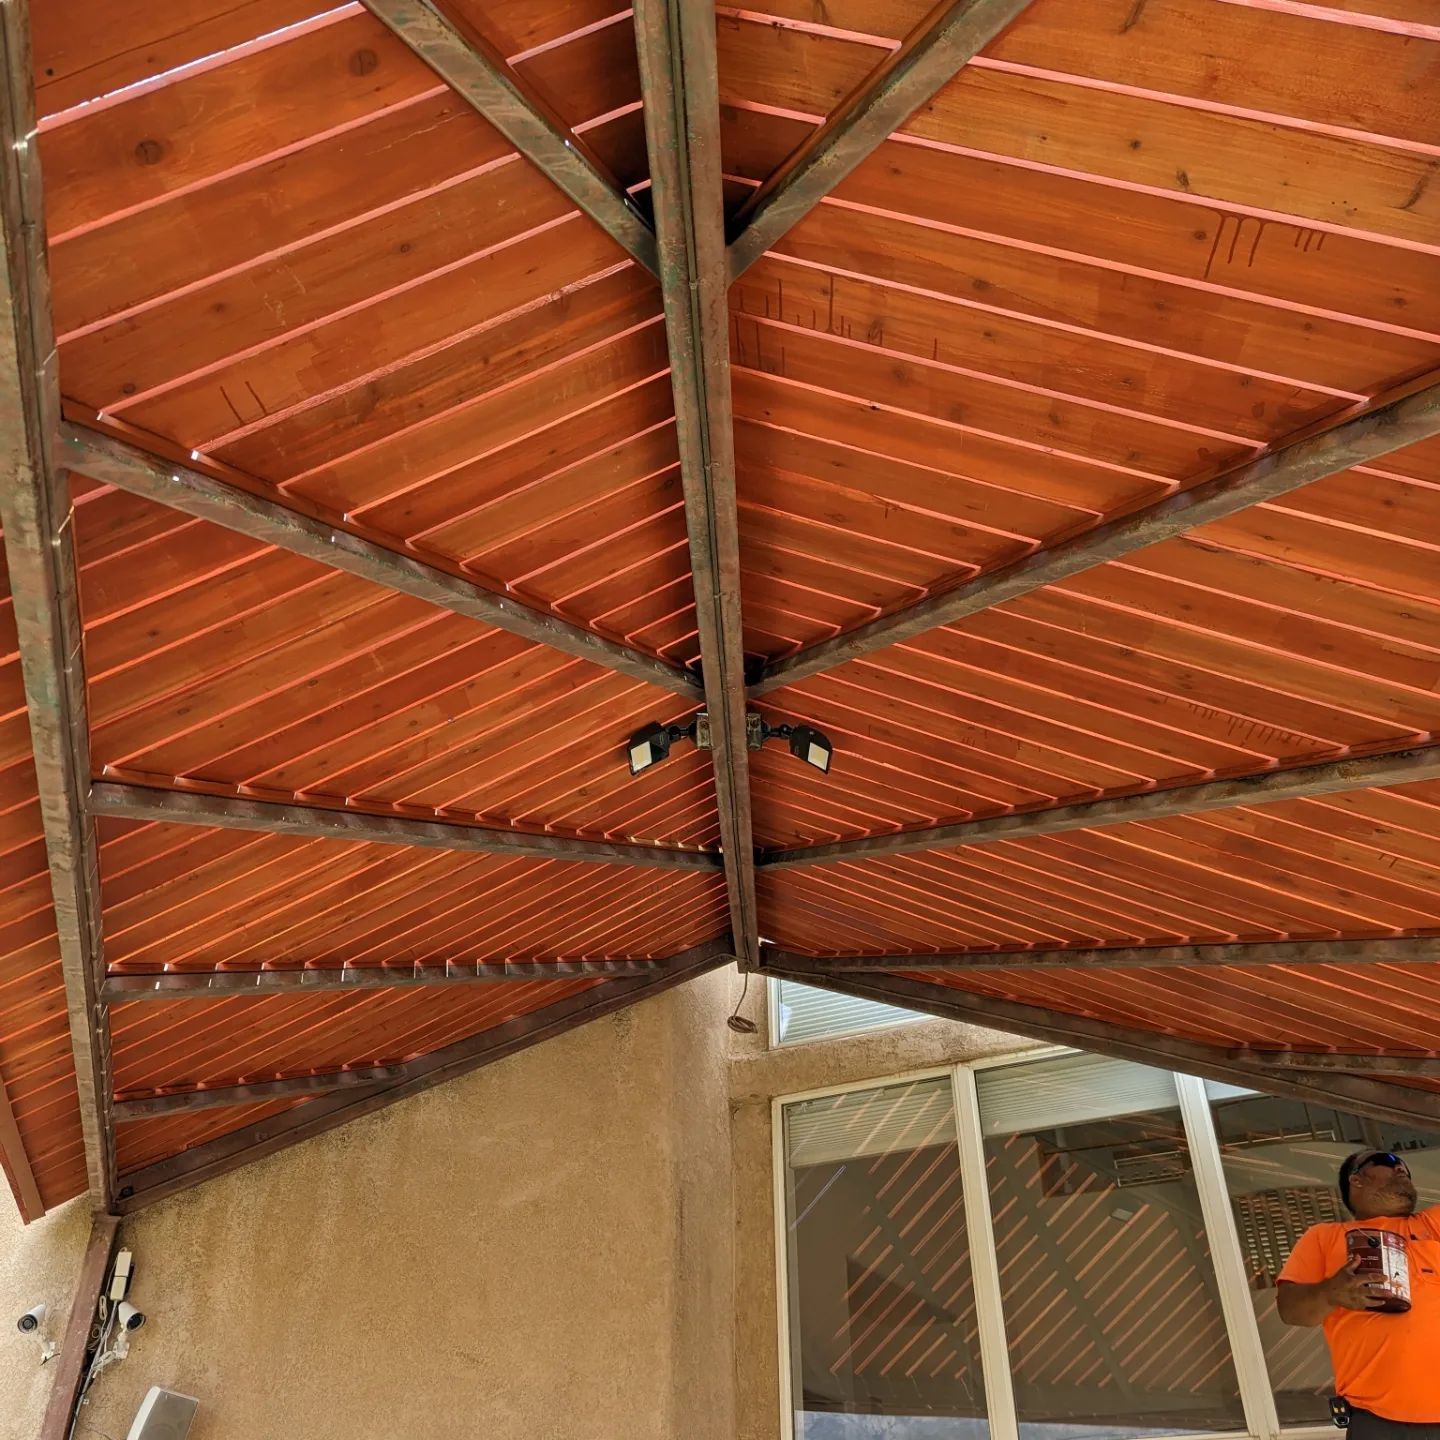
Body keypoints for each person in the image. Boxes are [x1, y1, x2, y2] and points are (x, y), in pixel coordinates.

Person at [1278, 1149, 1440, 1439]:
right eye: (1388, 1162)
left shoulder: (1432, 1224)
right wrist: (1330, 1293)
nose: (1401, 1168)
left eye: (1404, 1166)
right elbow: (1291, 1311)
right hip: (1379, 1422)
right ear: (1357, 1179)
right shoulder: (1324, 1236)